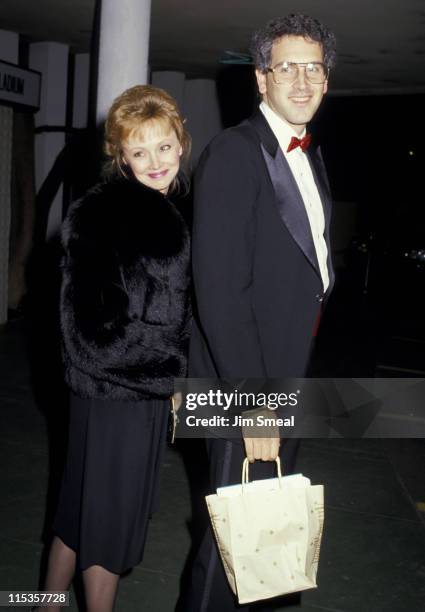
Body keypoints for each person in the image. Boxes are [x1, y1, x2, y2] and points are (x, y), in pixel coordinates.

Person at [184, 13, 336, 612]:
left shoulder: (306, 155)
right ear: (260, 79)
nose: (302, 82)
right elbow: (219, 292)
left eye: (314, 68)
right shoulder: (234, 154)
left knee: (271, 542)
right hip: (240, 384)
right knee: (229, 554)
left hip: (284, 371)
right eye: (286, 68)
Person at [38, 85, 191, 612]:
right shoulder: (101, 214)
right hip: (117, 396)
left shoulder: (163, 208)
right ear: (120, 155)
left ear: (181, 144)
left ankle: (45, 602)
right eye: (139, 150)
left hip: (123, 394)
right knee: (109, 521)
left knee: (83, 508)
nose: (155, 161)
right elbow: (92, 333)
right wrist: (172, 372)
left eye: (164, 146)